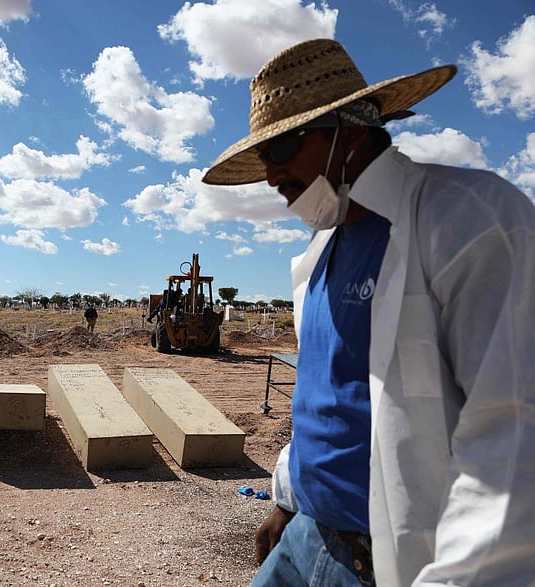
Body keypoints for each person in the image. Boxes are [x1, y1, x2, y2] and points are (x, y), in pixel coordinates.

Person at [202, 39, 535, 586]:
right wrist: (286, 499)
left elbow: (512, 437)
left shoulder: (468, 221)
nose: (269, 175)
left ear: (349, 129)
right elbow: (322, 397)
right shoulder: (318, 254)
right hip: (307, 536)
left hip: (394, 562)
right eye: (262, 157)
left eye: (281, 149)